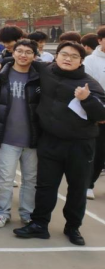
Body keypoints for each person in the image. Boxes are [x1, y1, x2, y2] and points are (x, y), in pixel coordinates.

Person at [12, 41, 105, 246]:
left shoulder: (89, 84)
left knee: (77, 188)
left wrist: (87, 99)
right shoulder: (45, 70)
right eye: (64, 54)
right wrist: (0, 64)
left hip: (80, 145)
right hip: (50, 141)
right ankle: (39, 224)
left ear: (81, 61)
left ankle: (73, 227)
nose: (68, 59)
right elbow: (22, 59)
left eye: (74, 56)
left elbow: (102, 115)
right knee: (45, 186)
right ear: (56, 56)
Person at [0, 39, 41, 228]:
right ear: (13, 53)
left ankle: (27, 213)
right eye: (19, 51)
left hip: (33, 140)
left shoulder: (40, 78)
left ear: (34, 56)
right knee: (4, 179)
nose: (23, 55)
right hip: (6, 139)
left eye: (28, 52)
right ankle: (2, 212)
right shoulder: (0, 77)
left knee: (31, 179)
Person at [83, 26, 105, 201]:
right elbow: (88, 88)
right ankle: (88, 184)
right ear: (100, 40)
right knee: (98, 153)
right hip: (100, 114)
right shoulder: (90, 61)